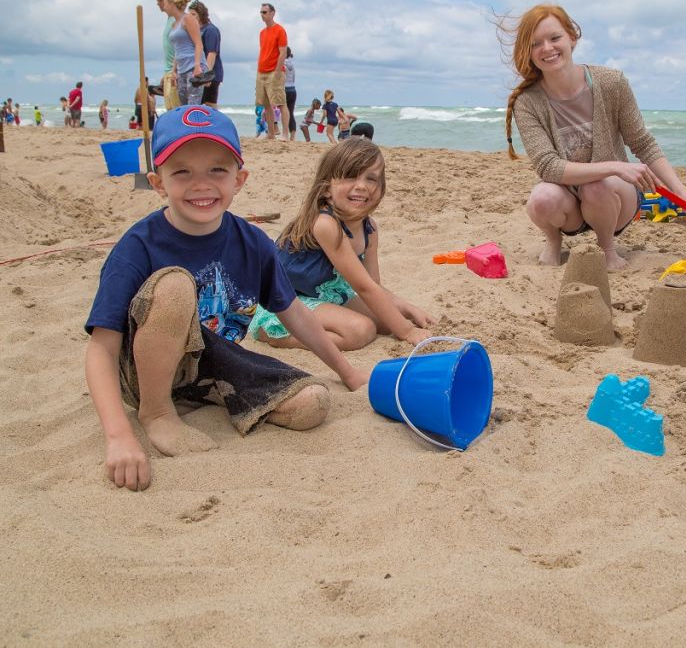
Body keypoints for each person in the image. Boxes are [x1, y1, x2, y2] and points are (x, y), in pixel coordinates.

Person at [84, 105, 370, 492]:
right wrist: (119, 435)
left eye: (217, 170)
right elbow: (102, 348)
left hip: (209, 365)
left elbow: (296, 313)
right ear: (157, 182)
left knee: (312, 403)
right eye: (182, 171)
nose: (201, 184)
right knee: (173, 287)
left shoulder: (252, 242)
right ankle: (157, 412)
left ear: (240, 179)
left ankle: (205, 399)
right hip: (142, 370)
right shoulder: (137, 247)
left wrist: (348, 373)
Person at [499, 4, 686, 270]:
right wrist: (616, 165)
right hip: (568, 203)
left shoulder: (611, 83)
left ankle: (608, 250)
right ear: (528, 52)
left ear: (572, 37)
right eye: (536, 44)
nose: (547, 48)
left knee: (597, 185)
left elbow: (642, 143)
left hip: (614, 198)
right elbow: (548, 167)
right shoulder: (528, 102)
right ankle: (553, 242)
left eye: (554, 38)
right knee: (541, 199)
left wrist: (682, 192)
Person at [249, 138, 435, 353]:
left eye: (371, 178)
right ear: (327, 188)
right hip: (286, 301)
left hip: (326, 296)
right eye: (350, 176)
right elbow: (364, 288)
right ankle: (277, 335)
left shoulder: (370, 229)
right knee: (361, 330)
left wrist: (405, 307)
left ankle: (313, 326)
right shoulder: (325, 224)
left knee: (385, 321)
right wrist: (408, 332)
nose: (362, 186)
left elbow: (373, 284)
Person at [164, 0, 208, 107]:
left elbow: (198, 44)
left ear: (172, 4)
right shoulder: (174, 24)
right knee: (183, 105)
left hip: (193, 66)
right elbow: (177, 49)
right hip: (181, 68)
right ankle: (187, 125)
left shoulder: (188, 18)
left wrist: (198, 66)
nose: (164, 7)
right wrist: (174, 70)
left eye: (165, 4)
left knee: (193, 104)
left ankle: (196, 124)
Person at [256, 3, 289, 141]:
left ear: (272, 13)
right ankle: (270, 133)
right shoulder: (262, 32)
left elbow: (283, 52)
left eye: (265, 12)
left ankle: (285, 134)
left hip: (274, 71)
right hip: (261, 71)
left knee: (280, 102)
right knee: (266, 104)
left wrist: (276, 71)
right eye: (261, 12)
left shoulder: (280, 30)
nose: (262, 15)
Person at [187, 0, 223, 108]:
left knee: (209, 105)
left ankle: (214, 124)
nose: (191, 18)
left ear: (201, 14)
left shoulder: (210, 30)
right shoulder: (196, 30)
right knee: (197, 105)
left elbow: (212, 53)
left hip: (210, 72)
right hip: (198, 73)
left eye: (194, 15)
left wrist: (207, 75)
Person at [155, 0, 181, 110]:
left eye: (160, 0)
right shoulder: (169, 20)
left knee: (175, 109)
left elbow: (181, 47)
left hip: (175, 72)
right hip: (169, 72)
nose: (158, 4)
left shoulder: (177, 20)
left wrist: (174, 71)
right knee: (170, 108)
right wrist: (166, 73)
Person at [283, 47, 298, 141]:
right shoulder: (292, 63)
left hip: (284, 89)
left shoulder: (282, 62)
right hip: (293, 89)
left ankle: (284, 133)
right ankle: (292, 135)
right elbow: (294, 78)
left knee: (283, 112)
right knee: (290, 113)